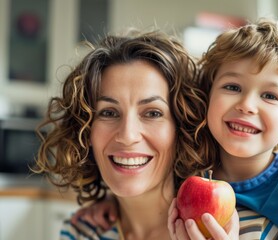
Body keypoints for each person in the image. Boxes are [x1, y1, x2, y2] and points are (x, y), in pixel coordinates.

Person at [34, 29, 240, 240]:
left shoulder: (229, 231)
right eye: (109, 112)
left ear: (182, 129)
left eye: (152, 113)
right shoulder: (80, 232)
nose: (128, 135)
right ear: (86, 131)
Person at [172, 17, 278, 239]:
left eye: (269, 96)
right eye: (233, 87)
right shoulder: (189, 174)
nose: (246, 105)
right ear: (208, 98)